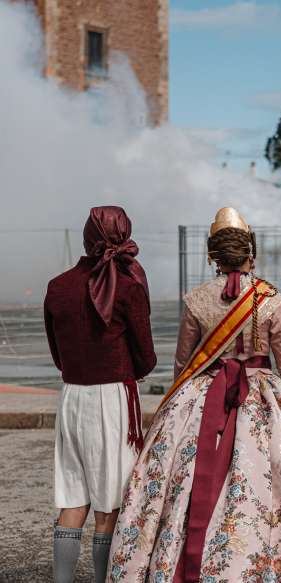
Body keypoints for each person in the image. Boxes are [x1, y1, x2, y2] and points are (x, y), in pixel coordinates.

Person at [107, 208, 281, 582]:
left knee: (178, 483)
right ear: (251, 253)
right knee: (271, 483)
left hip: (202, 397)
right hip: (263, 397)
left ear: (211, 255)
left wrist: (176, 407)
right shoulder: (270, 299)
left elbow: (183, 364)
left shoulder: (197, 299)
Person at [45, 206, 156, 583]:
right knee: (109, 504)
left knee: (73, 497)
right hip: (112, 400)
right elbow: (146, 357)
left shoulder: (57, 286)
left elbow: (57, 354)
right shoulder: (128, 286)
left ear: (86, 238)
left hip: (71, 396)